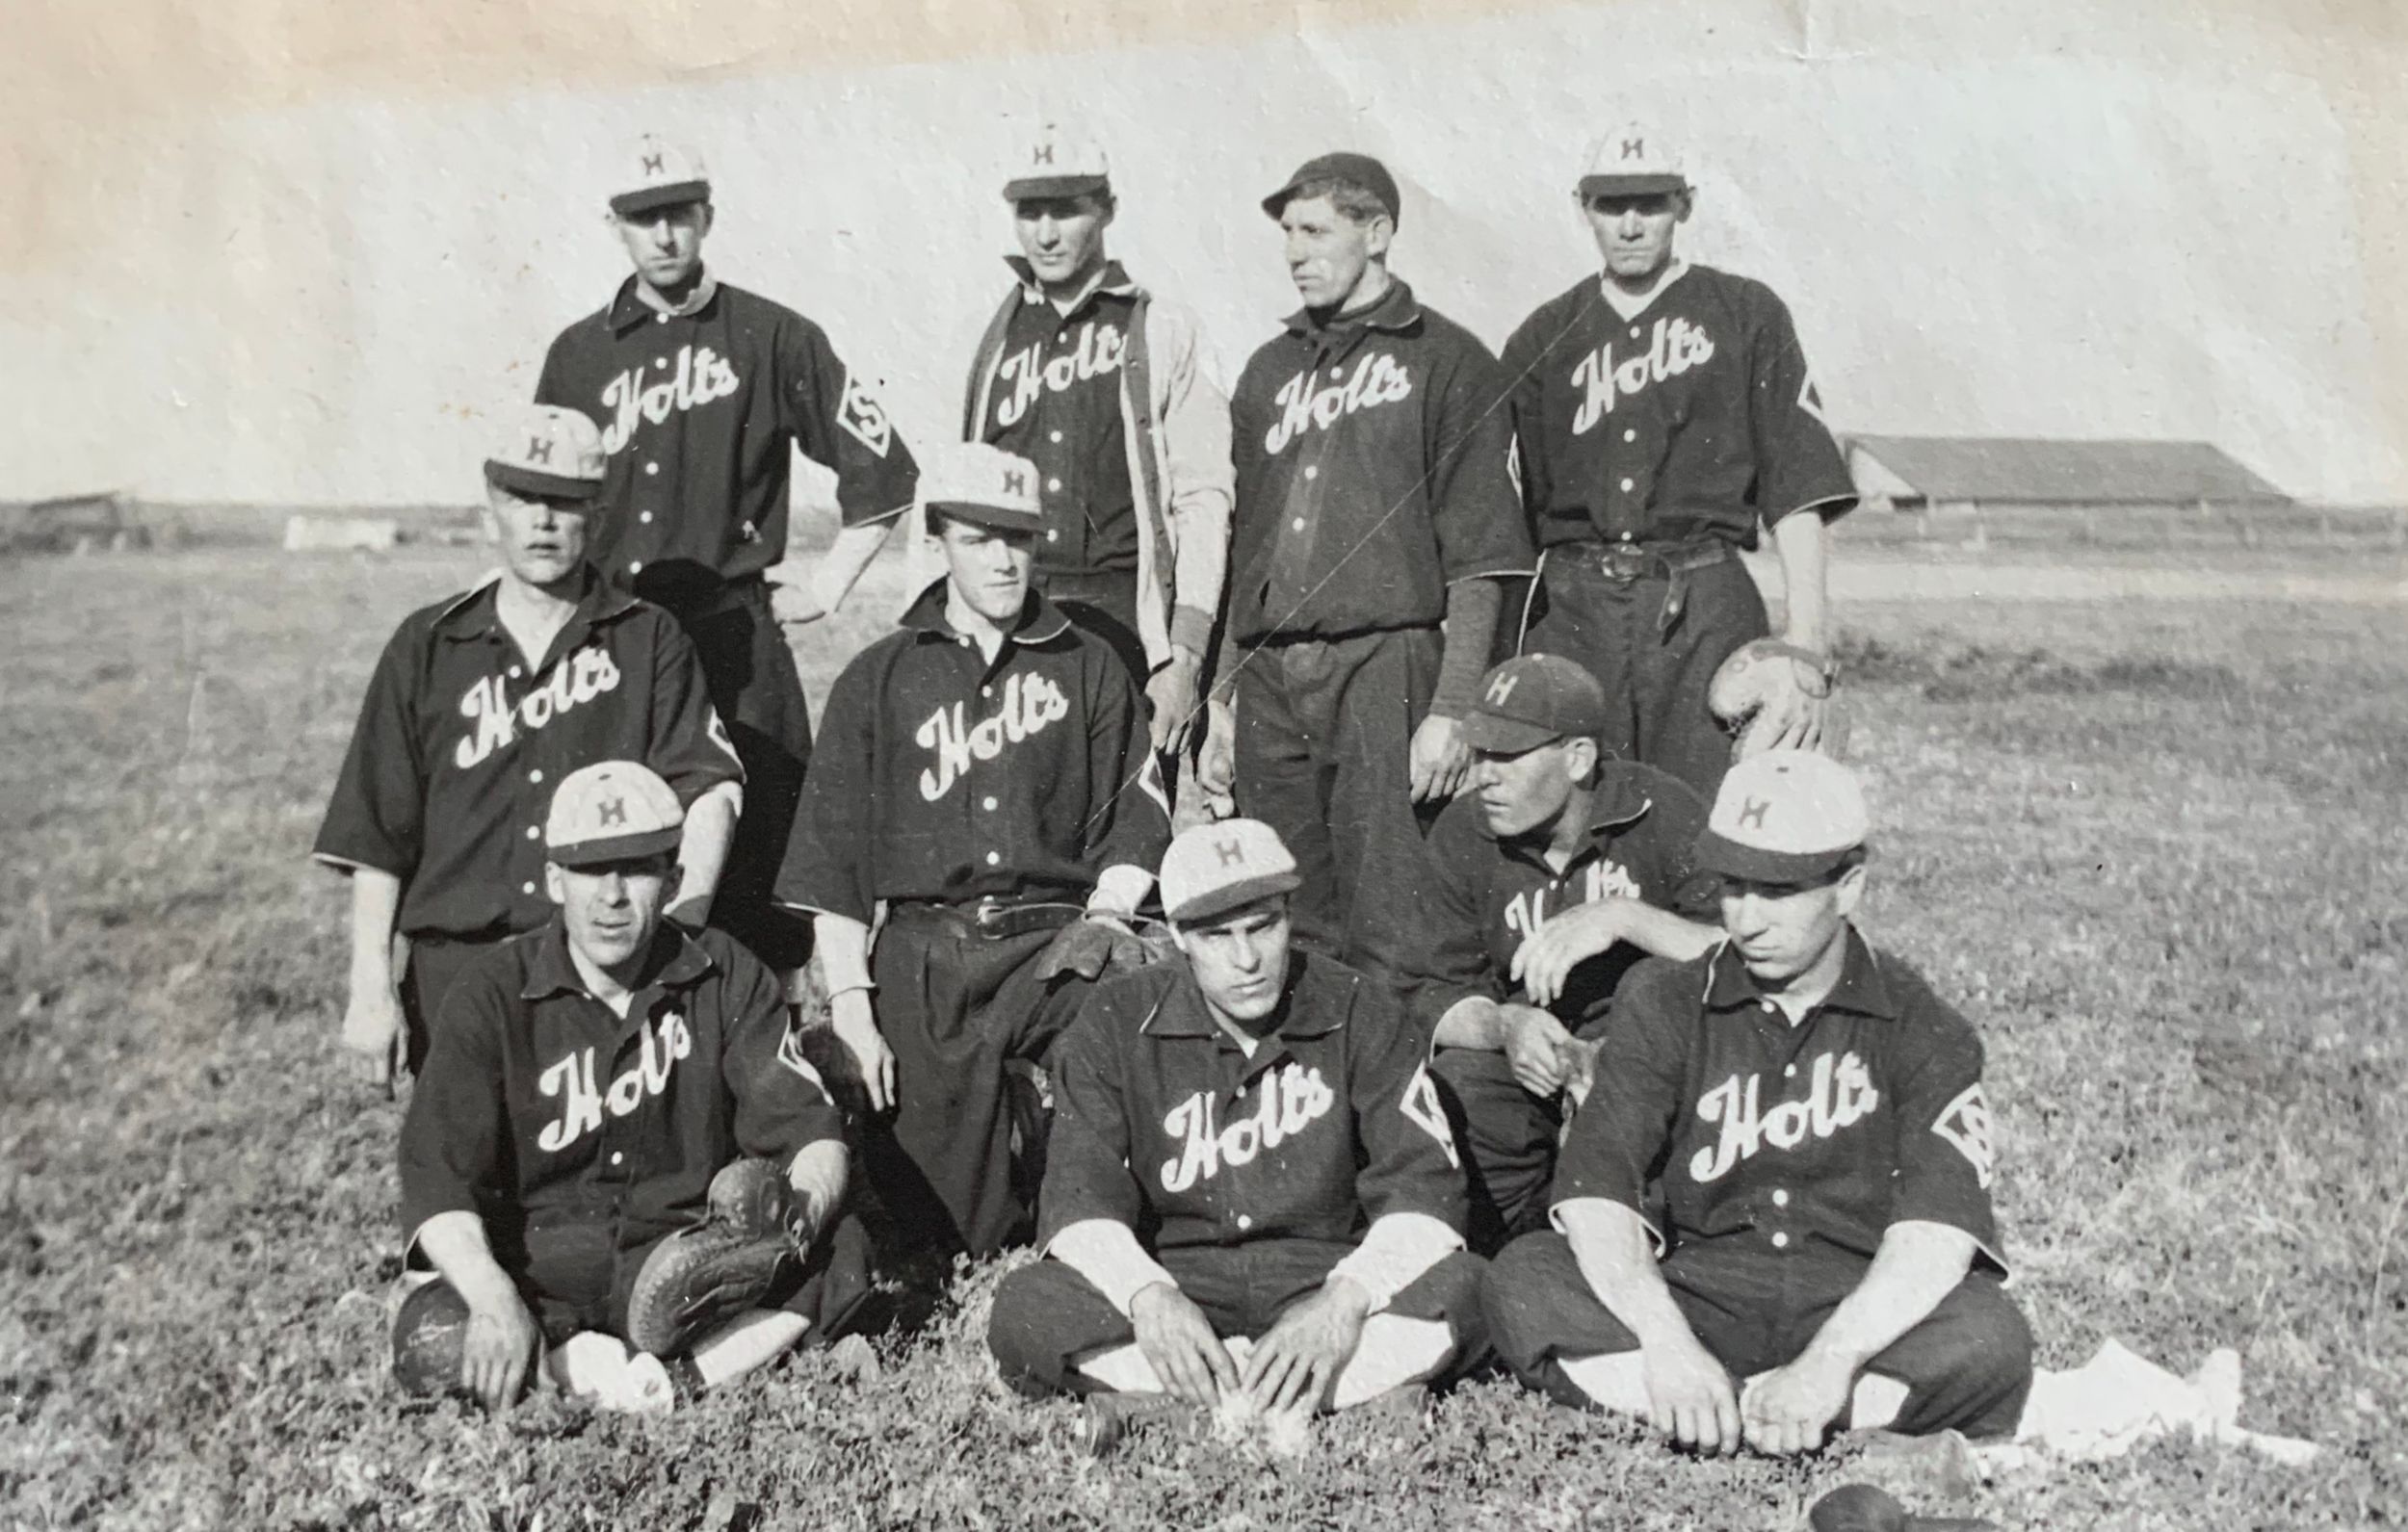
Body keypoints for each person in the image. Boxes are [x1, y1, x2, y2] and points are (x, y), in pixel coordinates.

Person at [1482, 751, 2033, 1455]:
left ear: (1849, 884)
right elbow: (1598, 1191)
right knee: (1525, 1279)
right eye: (1732, 886)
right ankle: (1780, 1416)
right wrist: (1668, 1343)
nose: (1746, 919)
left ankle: (1739, 1412)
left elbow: (1938, 1230)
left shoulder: (1924, 1025)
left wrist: (1832, 1361)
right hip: (1698, 1296)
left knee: (1992, 1336)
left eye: (1777, 891)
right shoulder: (1663, 1000)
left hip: (1850, 1303)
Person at [535, 134, 921, 979]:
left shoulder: (772, 335)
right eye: (643, 219)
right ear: (616, 227)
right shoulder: (578, 354)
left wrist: (824, 586)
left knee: (764, 858)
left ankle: (766, 1051)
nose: (664, 235)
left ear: (707, 214)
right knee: (606, 848)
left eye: (678, 213)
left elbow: (886, 470)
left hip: (734, 639)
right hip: (611, 638)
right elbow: (547, 500)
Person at [772, 443, 1171, 1259]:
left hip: (1056, 940)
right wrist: (851, 1002)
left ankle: (1074, 1182)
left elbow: (1139, 814)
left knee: (1139, 1040)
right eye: (979, 537)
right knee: (947, 1233)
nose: (1002, 559)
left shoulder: (1089, 664)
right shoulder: (879, 676)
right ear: (941, 537)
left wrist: (1107, 917)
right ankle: (1011, 1141)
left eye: (1019, 538)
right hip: (927, 954)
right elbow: (833, 859)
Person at [389, 761, 872, 1413]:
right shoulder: (490, 992)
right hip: (539, 1269)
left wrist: (797, 1221)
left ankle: (666, 1382)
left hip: (680, 1265)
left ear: (672, 878)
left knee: (841, 1248)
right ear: (554, 879)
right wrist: (496, 1298)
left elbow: (812, 1132)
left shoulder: (724, 972)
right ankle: (602, 1364)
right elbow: (437, 1179)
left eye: (637, 867)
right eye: (589, 868)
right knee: (429, 1334)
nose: (611, 894)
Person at [986, 818, 1487, 1418]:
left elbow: (1426, 1189)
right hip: (1182, 1275)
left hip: (1325, 1269)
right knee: (1025, 1308)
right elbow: (1078, 1198)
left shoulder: (1359, 1005)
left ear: (1290, 915)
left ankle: (1181, 1405)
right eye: (1217, 935)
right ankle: (1330, 1395)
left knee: (1472, 1289)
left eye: (1263, 926)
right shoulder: (1117, 1017)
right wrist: (1149, 1298)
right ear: (1177, 936)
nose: (1246, 958)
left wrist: (1345, 1302)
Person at [312, 404, 744, 1087]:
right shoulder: (428, 644)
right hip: (455, 971)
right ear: (491, 512)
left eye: (565, 502)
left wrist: (680, 933)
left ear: (597, 518)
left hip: (600, 966)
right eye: (523, 498)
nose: (542, 520)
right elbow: (377, 837)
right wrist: (371, 989)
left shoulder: (647, 637)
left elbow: (709, 790)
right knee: (464, 1182)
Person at [1214, 151, 1531, 977]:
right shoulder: (1267, 371)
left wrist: (1455, 705)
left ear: (1379, 232)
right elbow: (1243, 553)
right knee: (1287, 912)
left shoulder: (1448, 360)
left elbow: (1484, 555)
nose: (1294, 252)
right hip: (1274, 680)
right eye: (1287, 233)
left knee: (1398, 920)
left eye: (1315, 230)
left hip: (1388, 669)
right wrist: (1221, 697)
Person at [1501, 123, 1858, 797]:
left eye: (1651, 202)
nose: (1631, 224)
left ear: (1685, 205)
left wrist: (1806, 641)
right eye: (1611, 205)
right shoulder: (1544, 335)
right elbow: (1508, 515)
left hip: (1705, 604)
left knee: (1706, 811)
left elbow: (1798, 486)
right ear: (1583, 207)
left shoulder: (1746, 313)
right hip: (1575, 607)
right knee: (1576, 812)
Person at [1400, 654, 1722, 1253]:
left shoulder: (1662, 811)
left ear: (1577, 758)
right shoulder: (1464, 831)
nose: (1484, 775)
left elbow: (1745, 953)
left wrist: (1625, 918)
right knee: (1459, 1084)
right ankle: (1510, 1262)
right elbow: (1427, 990)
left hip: (1658, 1073)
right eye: (1480, 752)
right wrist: (1505, 1024)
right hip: (1534, 1070)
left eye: (1507, 756)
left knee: (1652, 988)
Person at [961, 122, 1233, 792]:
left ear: (1107, 209)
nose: (1045, 234)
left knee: (1131, 823)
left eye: (1067, 209)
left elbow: (1204, 497)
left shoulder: (1162, 325)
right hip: (1014, 612)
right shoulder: (990, 336)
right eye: (1030, 212)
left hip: (1125, 618)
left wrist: (1185, 655)